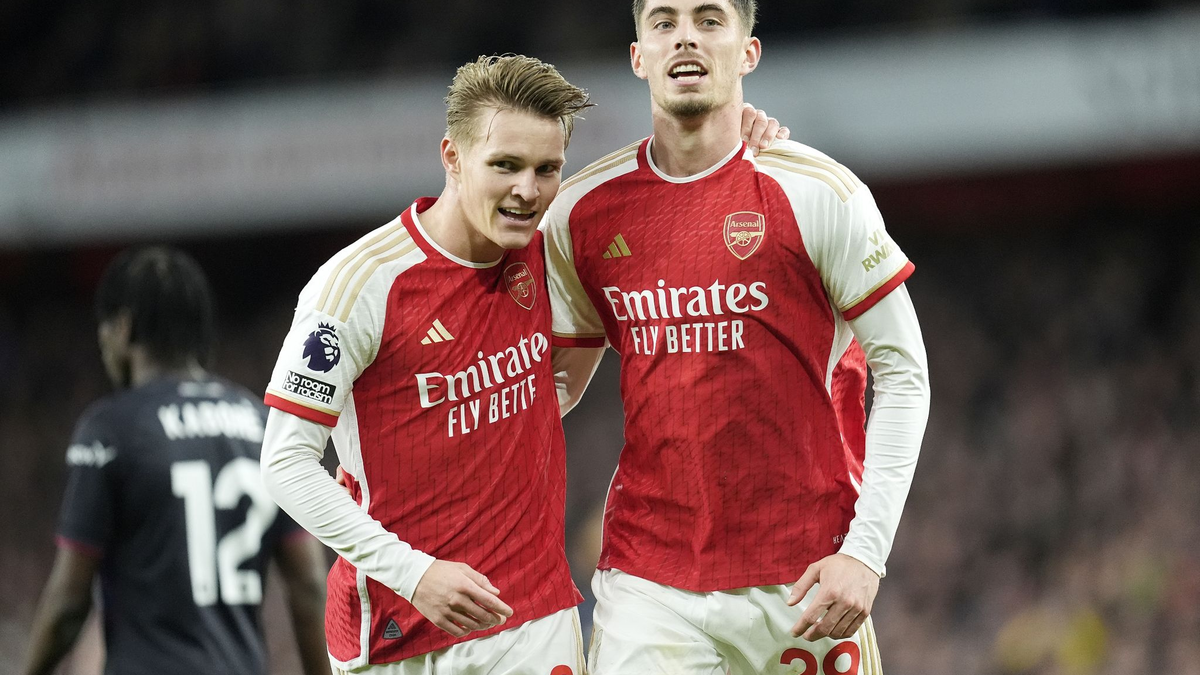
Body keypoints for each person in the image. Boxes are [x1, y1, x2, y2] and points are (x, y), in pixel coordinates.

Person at [545, 1, 932, 673]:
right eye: (663, 22)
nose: (685, 35)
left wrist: (866, 551)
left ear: (747, 52)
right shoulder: (581, 211)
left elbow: (906, 374)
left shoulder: (819, 193)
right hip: (649, 584)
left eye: (709, 19)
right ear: (639, 56)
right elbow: (550, 387)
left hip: (804, 579)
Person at [258, 55, 592, 675]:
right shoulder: (358, 286)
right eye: (505, 166)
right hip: (398, 633)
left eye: (547, 169)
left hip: (535, 619)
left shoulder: (554, 246)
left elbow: (664, 183)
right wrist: (417, 574)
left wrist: (751, 129)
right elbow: (284, 462)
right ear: (452, 156)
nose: (528, 190)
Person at [22, 247, 331, 675]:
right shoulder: (262, 426)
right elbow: (310, 583)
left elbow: (70, 603)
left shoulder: (112, 428)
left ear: (124, 326)